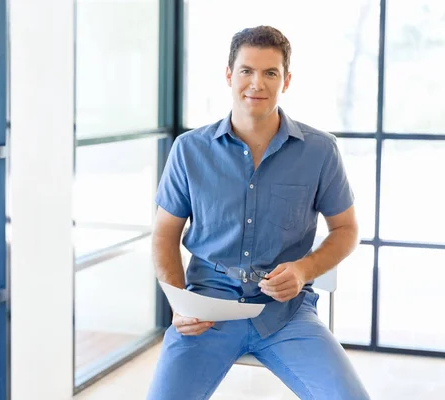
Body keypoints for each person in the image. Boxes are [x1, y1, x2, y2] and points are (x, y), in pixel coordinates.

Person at [147, 26, 371, 400]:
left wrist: (303, 270)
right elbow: (164, 234)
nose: (257, 83)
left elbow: (346, 229)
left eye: (271, 73)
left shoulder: (320, 151)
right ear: (229, 75)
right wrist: (179, 301)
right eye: (247, 70)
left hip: (287, 315)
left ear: (287, 80)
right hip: (207, 310)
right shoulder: (189, 150)